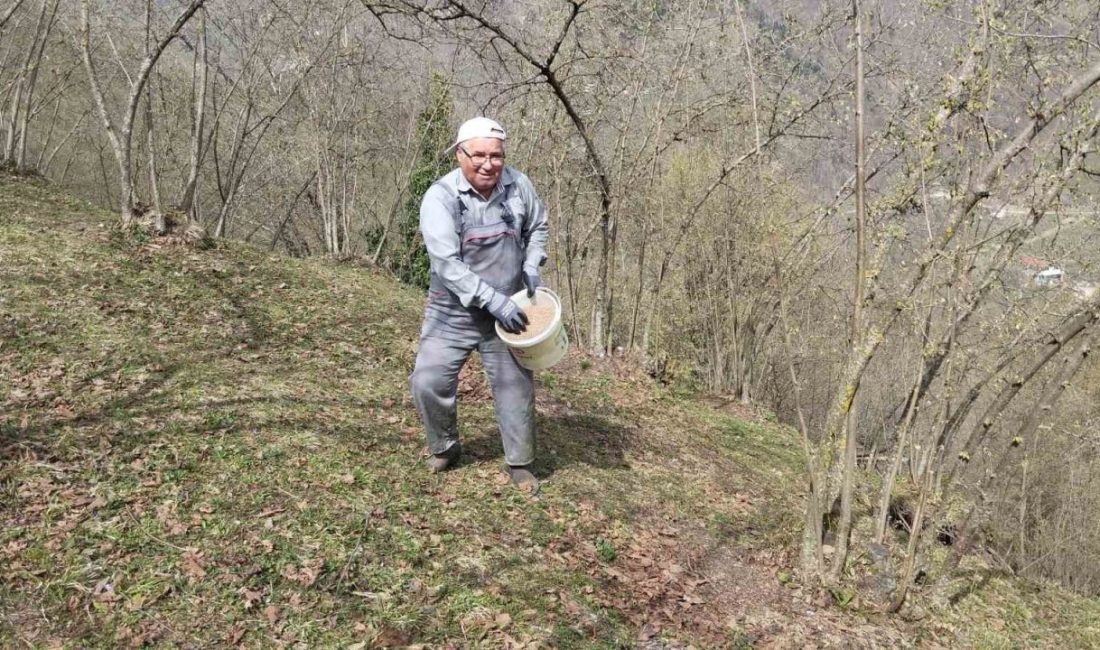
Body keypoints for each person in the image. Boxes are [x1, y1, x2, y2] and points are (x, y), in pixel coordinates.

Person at [409, 117, 549, 494]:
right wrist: (492, 301)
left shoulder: (519, 186)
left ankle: (520, 462)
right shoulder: (440, 197)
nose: (488, 164)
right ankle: (445, 446)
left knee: (515, 388)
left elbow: (538, 227)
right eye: (479, 156)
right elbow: (446, 264)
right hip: (452, 311)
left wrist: (533, 263)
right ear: (459, 155)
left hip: (511, 311)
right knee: (428, 380)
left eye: (496, 155)